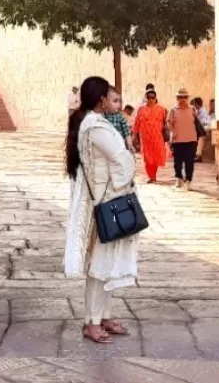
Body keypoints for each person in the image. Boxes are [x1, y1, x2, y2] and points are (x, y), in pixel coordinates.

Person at [64, 76, 140, 344]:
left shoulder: (89, 124)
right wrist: (122, 187)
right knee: (99, 266)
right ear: (101, 100)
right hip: (107, 203)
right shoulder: (96, 126)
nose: (113, 100)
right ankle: (91, 322)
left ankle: (104, 315)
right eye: (109, 96)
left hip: (100, 200)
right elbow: (123, 159)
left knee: (105, 264)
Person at [132, 85, 167, 183]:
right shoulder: (141, 109)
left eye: (153, 97)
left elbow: (166, 123)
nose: (151, 99)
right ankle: (151, 176)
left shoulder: (161, 109)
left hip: (157, 137)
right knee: (147, 158)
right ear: (145, 98)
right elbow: (137, 123)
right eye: (149, 97)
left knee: (156, 157)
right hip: (145, 138)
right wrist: (134, 135)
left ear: (155, 98)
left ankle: (154, 175)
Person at [168, 86, 199, 188]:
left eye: (185, 97)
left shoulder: (193, 109)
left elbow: (197, 122)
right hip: (178, 140)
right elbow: (169, 123)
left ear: (187, 98)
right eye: (180, 97)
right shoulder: (173, 110)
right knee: (178, 162)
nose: (183, 99)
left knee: (189, 161)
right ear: (177, 98)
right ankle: (179, 178)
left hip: (191, 139)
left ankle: (189, 180)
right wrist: (173, 132)